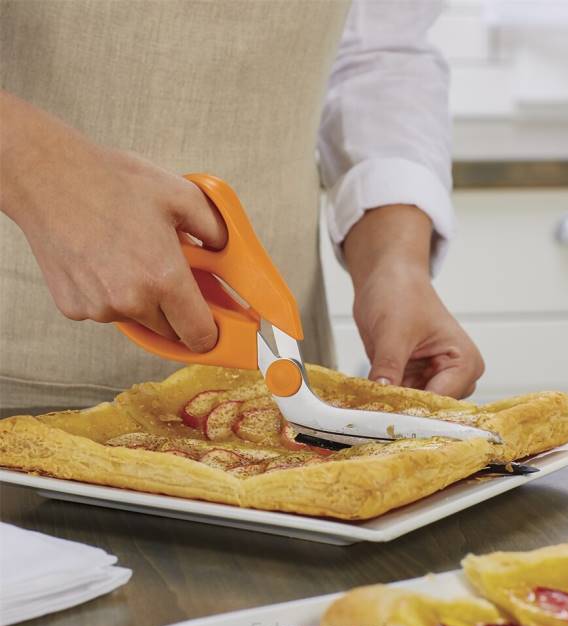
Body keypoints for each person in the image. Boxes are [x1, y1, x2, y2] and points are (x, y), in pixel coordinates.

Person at [0, 0, 483, 409]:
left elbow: (378, 54)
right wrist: (43, 172)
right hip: (20, 379)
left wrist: (393, 263)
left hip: (283, 392)